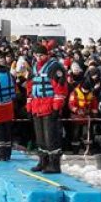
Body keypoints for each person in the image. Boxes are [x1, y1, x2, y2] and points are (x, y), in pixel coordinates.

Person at [26, 45, 67, 173]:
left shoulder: (54, 67)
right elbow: (29, 87)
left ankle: (54, 164)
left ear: (47, 54)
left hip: (49, 105)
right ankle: (43, 161)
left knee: (51, 137)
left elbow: (60, 88)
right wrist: (29, 105)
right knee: (40, 137)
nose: (39, 58)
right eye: (36, 55)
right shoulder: (34, 67)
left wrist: (56, 107)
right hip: (37, 105)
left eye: (41, 55)